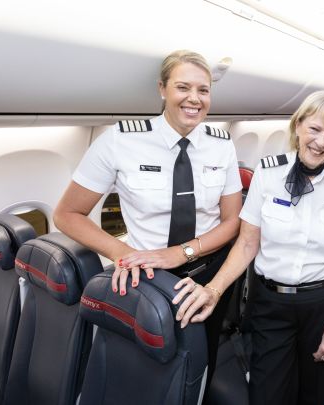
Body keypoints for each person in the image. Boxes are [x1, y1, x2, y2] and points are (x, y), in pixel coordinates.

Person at [53, 50, 242, 392]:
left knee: (201, 363)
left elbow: (231, 222)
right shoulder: (121, 140)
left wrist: (181, 253)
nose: (194, 99)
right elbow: (67, 214)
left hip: (207, 274)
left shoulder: (222, 144)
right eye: (183, 87)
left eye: (204, 90)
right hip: (148, 277)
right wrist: (120, 253)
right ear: (162, 89)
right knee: (145, 368)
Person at [172, 90, 324, 405]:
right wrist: (213, 289)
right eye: (315, 129)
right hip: (270, 305)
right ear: (298, 126)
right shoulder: (269, 172)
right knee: (266, 393)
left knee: (315, 394)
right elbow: (248, 242)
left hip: (323, 305)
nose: (321, 142)